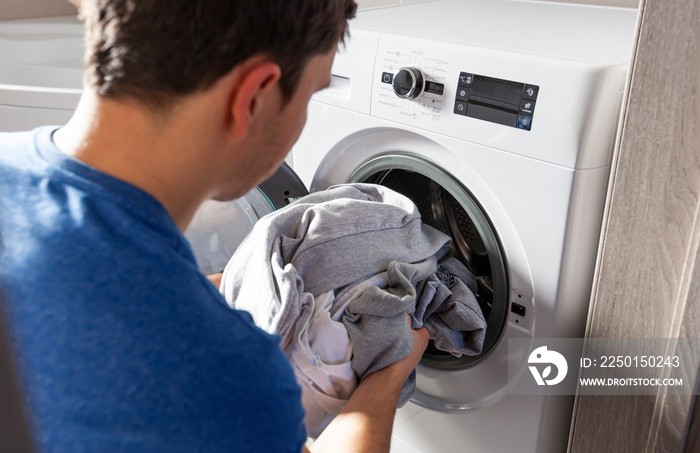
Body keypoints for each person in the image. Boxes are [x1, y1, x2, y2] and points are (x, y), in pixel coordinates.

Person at [0, 1, 430, 452]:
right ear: (254, 97)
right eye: (311, 95)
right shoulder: (229, 380)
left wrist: (223, 289)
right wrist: (390, 370)